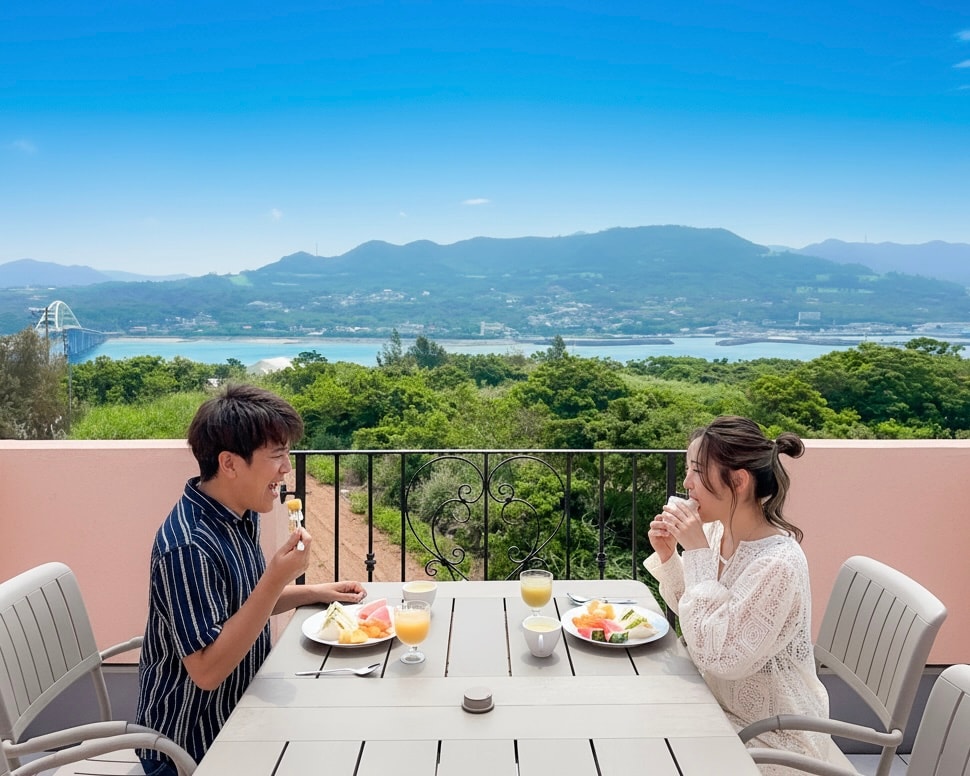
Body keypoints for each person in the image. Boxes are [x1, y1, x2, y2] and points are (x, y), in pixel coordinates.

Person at [136, 384, 367, 776]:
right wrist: (276, 577)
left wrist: (313, 591)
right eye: (276, 455)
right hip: (192, 746)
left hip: (244, 707)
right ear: (229, 463)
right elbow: (207, 671)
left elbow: (243, 603)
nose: (286, 468)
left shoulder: (237, 513)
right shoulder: (188, 546)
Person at [643, 415, 837, 774]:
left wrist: (696, 554)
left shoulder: (777, 564)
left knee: (649, 749)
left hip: (775, 738)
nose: (686, 483)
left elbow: (720, 657)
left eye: (697, 471)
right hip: (721, 709)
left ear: (739, 481)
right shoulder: (718, 533)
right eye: (687, 470)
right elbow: (702, 620)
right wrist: (671, 558)